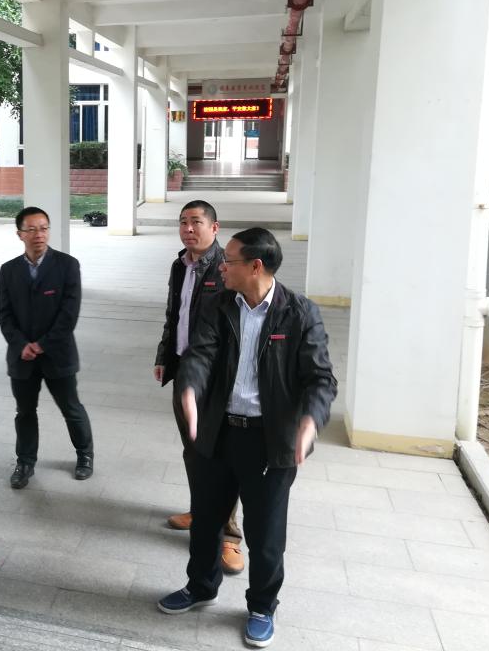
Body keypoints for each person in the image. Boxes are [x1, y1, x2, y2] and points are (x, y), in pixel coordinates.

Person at [156, 228, 337, 649]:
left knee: (265, 535)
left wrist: (310, 421)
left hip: (269, 442)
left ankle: (261, 606)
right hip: (218, 434)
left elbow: (321, 378)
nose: (222, 266)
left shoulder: (299, 313)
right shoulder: (219, 304)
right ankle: (201, 587)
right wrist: (190, 388)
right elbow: (201, 354)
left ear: (256, 266)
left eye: (230, 260)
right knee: (206, 522)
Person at [153, 200, 243, 575]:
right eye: (183, 222)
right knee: (194, 450)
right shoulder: (180, 264)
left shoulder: (226, 267)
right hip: (184, 371)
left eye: (196, 222)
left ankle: (229, 536)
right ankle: (201, 510)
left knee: (222, 456)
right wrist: (164, 354)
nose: (188, 229)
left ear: (214, 227)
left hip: (216, 377)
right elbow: (173, 314)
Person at [0, 206, 93, 489]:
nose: (39, 234)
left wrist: (41, 345)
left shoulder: (67, 265)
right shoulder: (9, 270)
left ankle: (85, 455)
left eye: (43, 228)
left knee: (71, 407)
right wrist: (21, 345)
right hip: (22, 357)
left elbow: (69, 314)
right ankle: (25, 462)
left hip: (57, 354)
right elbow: (4, 314)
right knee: (25, 412)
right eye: (31, 229)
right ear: (20, 234)